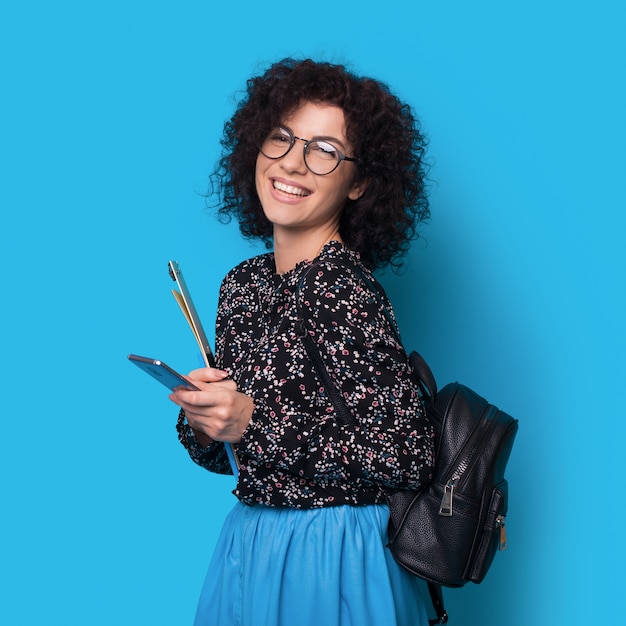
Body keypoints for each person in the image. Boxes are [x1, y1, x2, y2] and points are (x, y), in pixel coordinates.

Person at [169, 58, 436, 626]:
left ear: (359, 181)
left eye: (324, 149)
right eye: (282, 138)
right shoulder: (242, 287)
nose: (292, 162)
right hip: (249, 541)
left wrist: (253, 423)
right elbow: (236, 458)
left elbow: (408, 454)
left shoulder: (346, 289)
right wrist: (205, 422)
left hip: (334, 555)